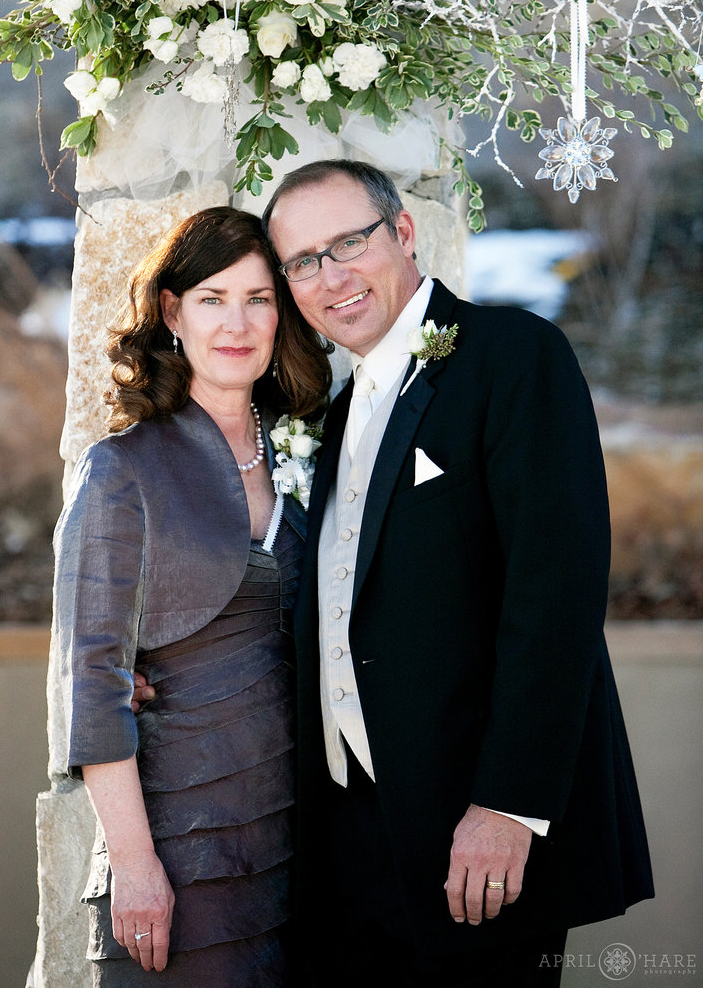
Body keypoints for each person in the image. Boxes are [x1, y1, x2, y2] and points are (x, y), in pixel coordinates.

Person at [259, 159, 654, 987]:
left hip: (475, 837)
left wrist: (510, 805)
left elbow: (556, 595)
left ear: (402, 234)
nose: (330, 278)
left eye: (348, 244)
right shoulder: (337, 412)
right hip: (352, 838)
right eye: (301, 262)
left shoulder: (513, 355)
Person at [49, 206, 331, 986]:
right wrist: (137, 868)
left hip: (295, 836)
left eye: (258, 298)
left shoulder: (310, 453)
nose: (236, 323)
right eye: (212, 298)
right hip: (178, 839)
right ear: (172, 311)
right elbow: (93, 678)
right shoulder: (122, 471)